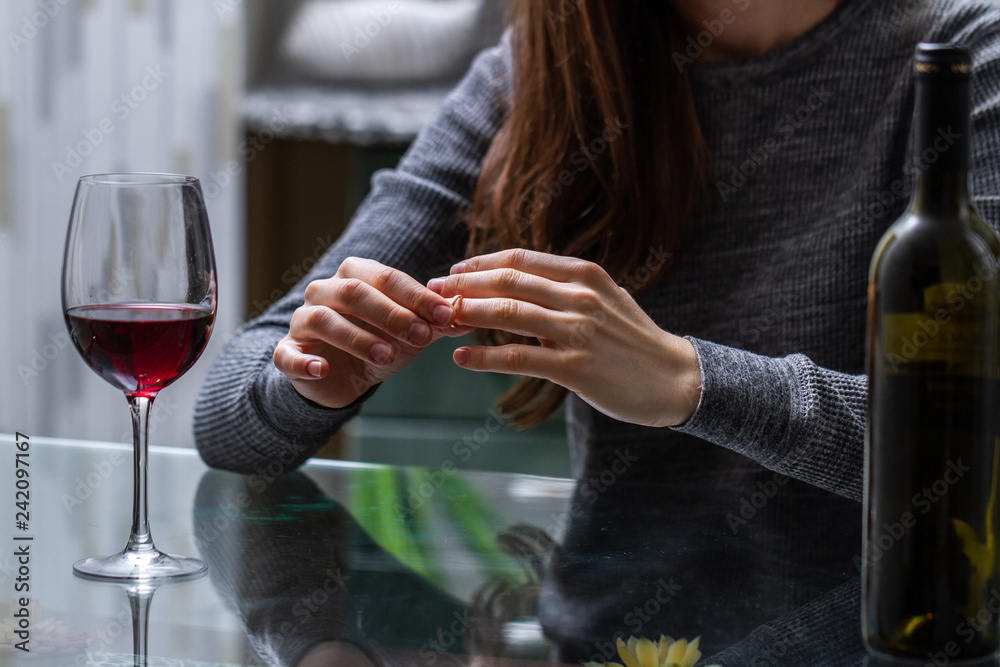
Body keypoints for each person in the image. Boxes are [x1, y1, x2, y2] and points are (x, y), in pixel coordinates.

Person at [194, 0, 1000, 657]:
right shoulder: (540, 72)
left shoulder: (962, 53)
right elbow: (228, 414)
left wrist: (692, 382)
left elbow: (981, 445)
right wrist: (304, 379)